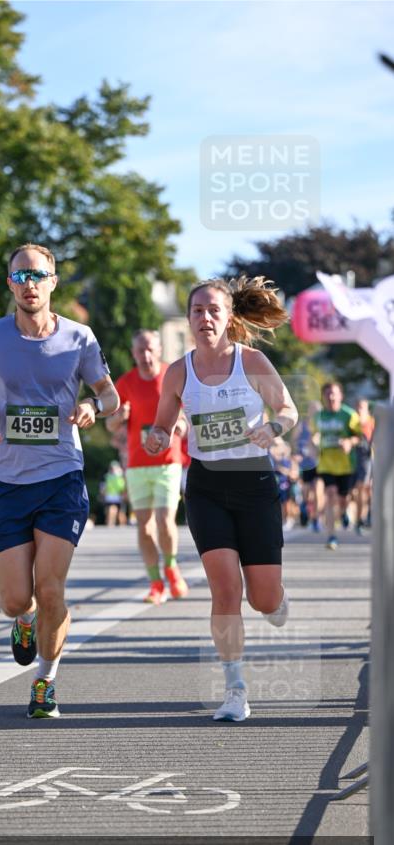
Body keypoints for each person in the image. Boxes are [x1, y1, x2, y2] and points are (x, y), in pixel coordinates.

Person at [0, 243, 119, 719]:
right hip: (6, 479)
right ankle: (23, 621)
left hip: (61, 477)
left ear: (53, 281)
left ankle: (44, 680)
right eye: (20, 276)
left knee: (51, 590)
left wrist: (92, 406)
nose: (29, 284)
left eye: (38, 275)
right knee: (14, 599)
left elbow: (110, 396)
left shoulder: (79, 338)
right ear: (10, 283)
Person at [145, 275, 298, 723]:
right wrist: (157, 436)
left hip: (254, 484)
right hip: (207, 487)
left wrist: (272, 427)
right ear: (189, 319)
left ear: (229, 316)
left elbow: (288, 409)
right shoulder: (178, 372)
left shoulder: (251, 362)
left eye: (214, 310)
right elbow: (163, 424)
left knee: (263, 599)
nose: (205, 318)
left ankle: (276, 599)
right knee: (225, 587)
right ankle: (235, 688)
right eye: (197, 311)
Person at [107, 329, 189, 603]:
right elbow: (108, 423)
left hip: (167, 461)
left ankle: (171, 567)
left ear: (159, 350)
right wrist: (119, 418)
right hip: (137, 463)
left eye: (150, 349)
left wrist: (179, 425)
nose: (145, 355)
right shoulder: (126, 382)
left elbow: (187, 417)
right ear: (133, 353)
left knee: (165, 521)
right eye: (140, 350)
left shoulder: (171, 375)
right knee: (144, 527)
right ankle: (156, 582)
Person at [313, 381, 361, 550]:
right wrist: (314, 441)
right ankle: (331, 535)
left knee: (343, 498)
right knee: (330, 494)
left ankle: (345, 510)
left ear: (341, 396)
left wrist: (349, 441)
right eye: (327, 394)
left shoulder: (349, 415)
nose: (331, 397)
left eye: (334, 393)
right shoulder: (318, 416)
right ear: (323, 397)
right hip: (326, 463)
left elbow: (360, 437)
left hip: (346, 464)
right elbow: (313, 435)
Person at [292, 400, 321, 531]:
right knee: (305, 490)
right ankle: (304, 508)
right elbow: (293, 440)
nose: (314, 412)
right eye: (312, 409)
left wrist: (316, 443)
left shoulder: (320, 426)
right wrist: (297, 452)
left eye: (317, 410)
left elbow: (319, 442)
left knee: (317, 491)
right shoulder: (302, 425)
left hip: (318, 462)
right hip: (304, 462)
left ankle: (315, 519)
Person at [352, 398, 374, 535]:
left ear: (367, 409)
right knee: (356, 491)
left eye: (362, 407)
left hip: (368, 459)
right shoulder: (353, 423)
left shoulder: (371, 422)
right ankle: (359, 519)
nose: (359, 410)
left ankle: (365, 518)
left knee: (366, 489)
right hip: (353, 460)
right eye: (358, 407)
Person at [99, 460, 126, 527]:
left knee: (118, 512)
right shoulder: (110, 476)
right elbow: (103, 487)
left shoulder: (118, 476)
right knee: (112, 510)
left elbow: (122, 487)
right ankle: (111, 524)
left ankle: (114, 524)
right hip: (111, 496)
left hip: (117, 496)